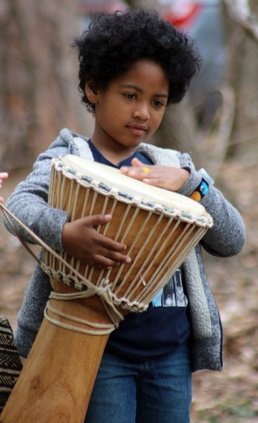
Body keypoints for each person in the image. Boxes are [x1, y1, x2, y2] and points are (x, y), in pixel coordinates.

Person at [4, 9, 245, 423]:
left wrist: (192, 183)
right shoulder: (69, 156)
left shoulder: (172, 165)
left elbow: (232, 240)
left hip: (170, 351)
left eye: (157, 102)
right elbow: (19, 208)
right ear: (94, 87)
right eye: (130, 96)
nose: (143, 114)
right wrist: (64, 232)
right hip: (98, 350)